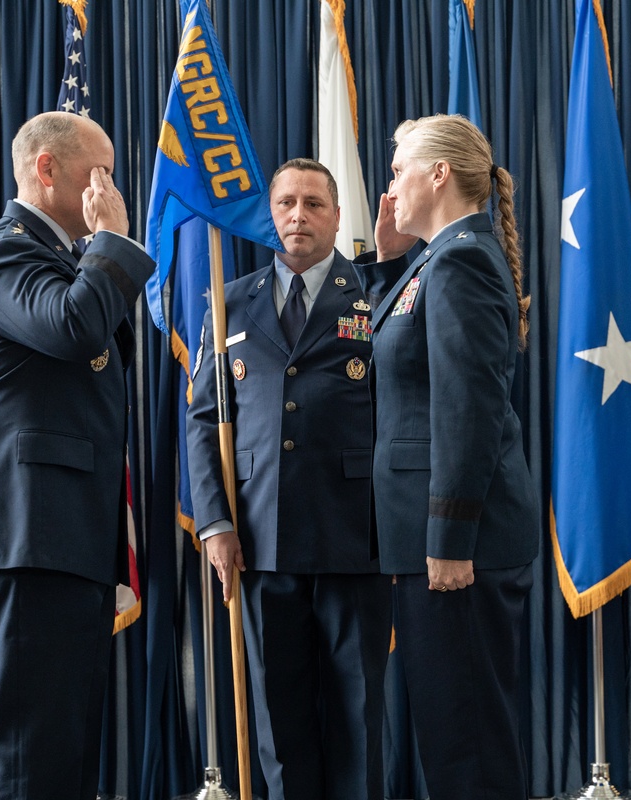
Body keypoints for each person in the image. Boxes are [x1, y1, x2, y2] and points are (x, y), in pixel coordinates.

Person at [0, 111, 155, 800]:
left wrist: (100, 249)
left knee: (65, 750)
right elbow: (73, 327)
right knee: (31, 752)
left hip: (64, 535)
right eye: (102, 172)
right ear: (47, 170)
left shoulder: (64, 256)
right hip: (23, 534)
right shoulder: (6, 252)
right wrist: (114, 240)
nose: (112, 188)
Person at [186, 158, 403, 800]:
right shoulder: (228, 304)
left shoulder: (376, 297)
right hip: (259, 540)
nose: (297, 215)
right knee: (277, 726)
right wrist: (216, 523)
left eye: (313, 203)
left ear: (338, 217)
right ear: (269, 214)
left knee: (358, 719)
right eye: (285, 203)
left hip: (354, 540)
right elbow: (203, 423)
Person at [368, 113, 540, 799]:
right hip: (431, 542)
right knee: (451, 735)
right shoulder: (434, 260)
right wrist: (385, 265)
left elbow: (467, 412)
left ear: (439, 173)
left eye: (399, 168)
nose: (390, 188)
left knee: (465, 744)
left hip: (456, 547)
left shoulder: (461, 260)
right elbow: (397, 364)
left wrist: (449, 537)